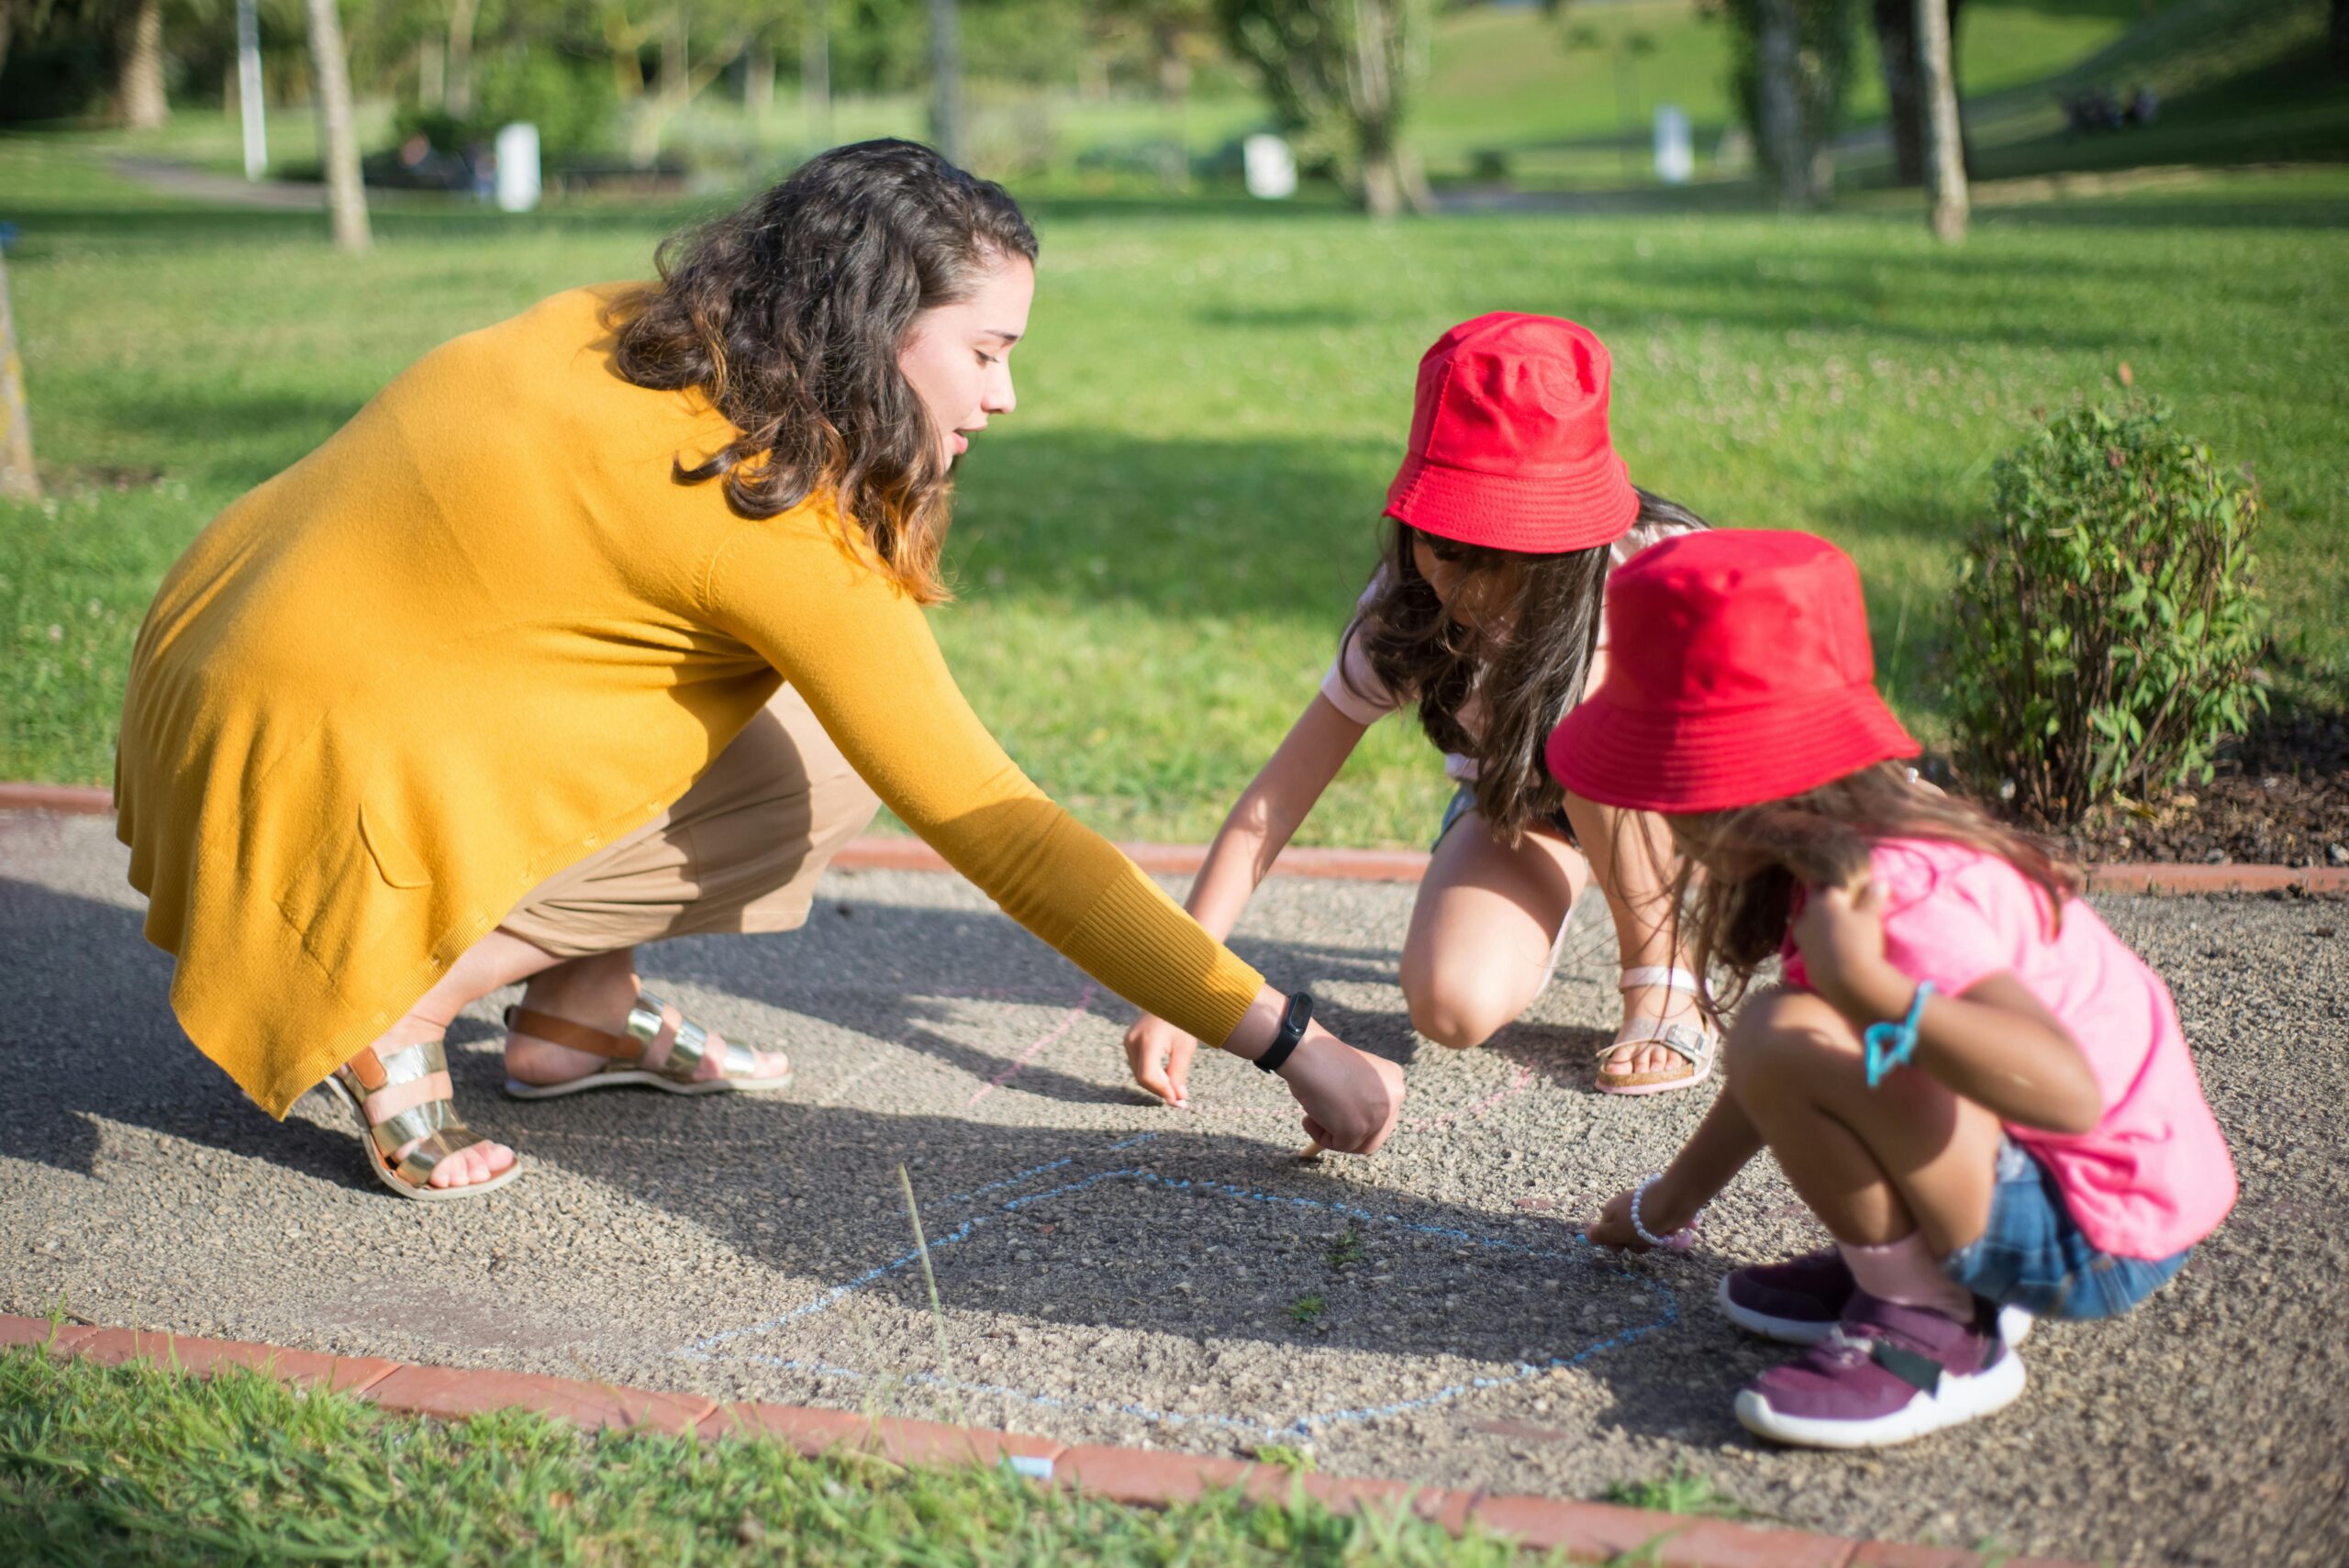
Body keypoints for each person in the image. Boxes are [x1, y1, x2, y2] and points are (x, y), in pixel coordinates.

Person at [114, 139, 1405, 1202]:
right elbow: (1000, 829)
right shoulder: (764, 516)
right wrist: (1292, 1041)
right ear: (880, 327)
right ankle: (396, 997)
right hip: (299, 775)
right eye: (989, 351)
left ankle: (578, 1015)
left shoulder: (633, 331)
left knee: (771, 704)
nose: (1006, 396)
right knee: (833, 763)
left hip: (201, 682)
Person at [1570, 530, 2235, 1448]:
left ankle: (1938, 1328)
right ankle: (1909, 1261)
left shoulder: (1901, 893)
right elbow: (1782, 1075)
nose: (1650, 803)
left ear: (1744, 782)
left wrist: (1873, 986)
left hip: (2096, 1227)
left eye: (1664, 777)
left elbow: (2069, 1087)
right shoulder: (1839, 845)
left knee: (1779, 1025)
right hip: (2072, 1178)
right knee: (1786, 1032)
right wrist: (1668, 1203)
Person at [1122, 313, 1716, 1107]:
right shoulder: (1406, 608)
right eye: (1443, 546)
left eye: (1497, 559)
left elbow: (1779, 732)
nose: (1459, 587)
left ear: (1567, 542)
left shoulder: (1661, 568)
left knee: (1581, 724)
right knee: (1450, 1004)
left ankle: (1666, 983)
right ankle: (1578, 880)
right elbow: (1274, 802)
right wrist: (1183, 985)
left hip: (1679, 806)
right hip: (1523, 805)